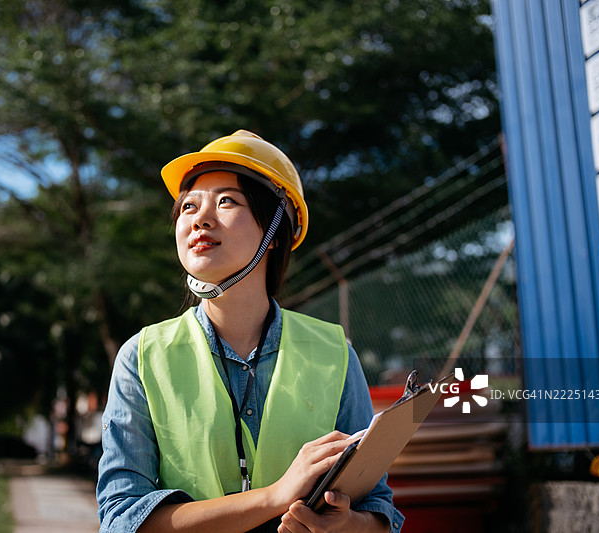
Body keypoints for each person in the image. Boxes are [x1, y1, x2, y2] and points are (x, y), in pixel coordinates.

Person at [97, 130, 404, 533]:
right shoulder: (141, 356)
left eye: (227, 201)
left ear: (276, 230)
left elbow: (379, 510)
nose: (200, 218)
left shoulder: (334, 352)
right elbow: (121, 519)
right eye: (188, 205)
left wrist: (348, 525)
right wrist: (274, 497)